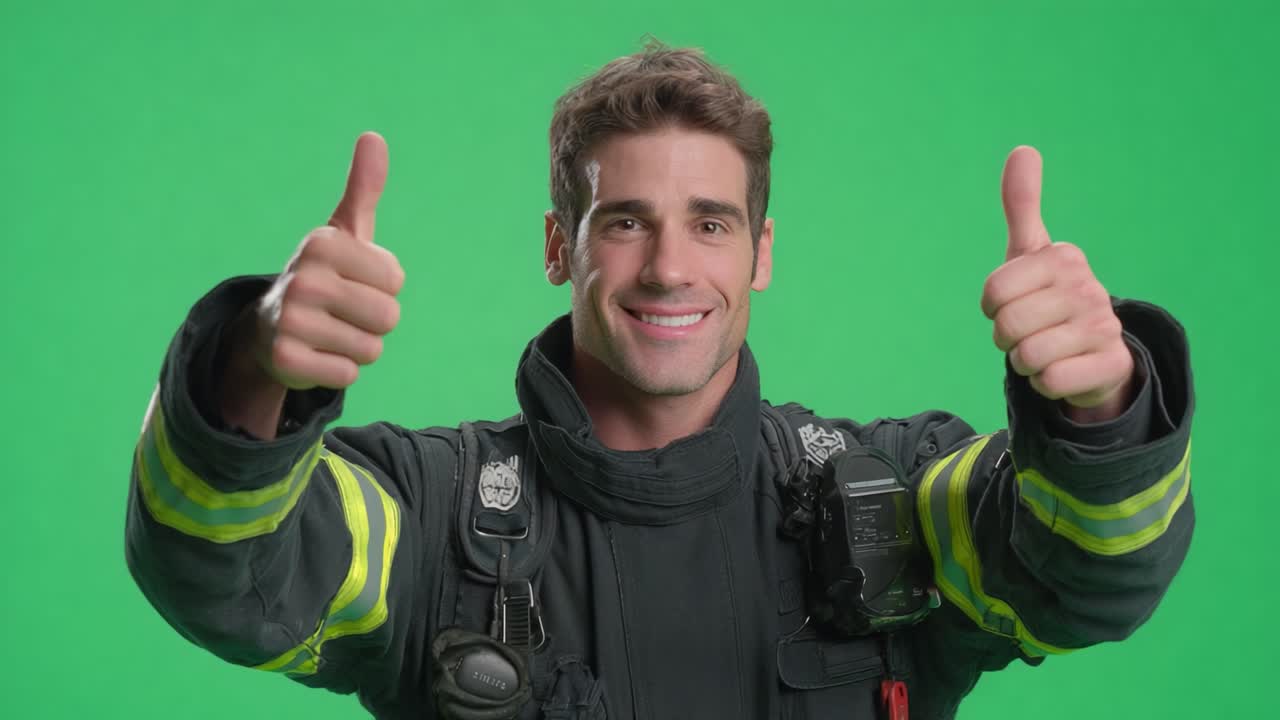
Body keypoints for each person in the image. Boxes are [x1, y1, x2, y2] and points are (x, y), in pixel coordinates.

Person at [125, 42, 1195, 720]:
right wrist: (251, 371)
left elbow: (1085, 576)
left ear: (759, 255)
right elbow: (223, 572)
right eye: (625, 220)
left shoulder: (898, 499)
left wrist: (1096, 409)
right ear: (559, 246)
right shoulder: (429, 513)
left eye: (710, 224)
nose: (670, 266)